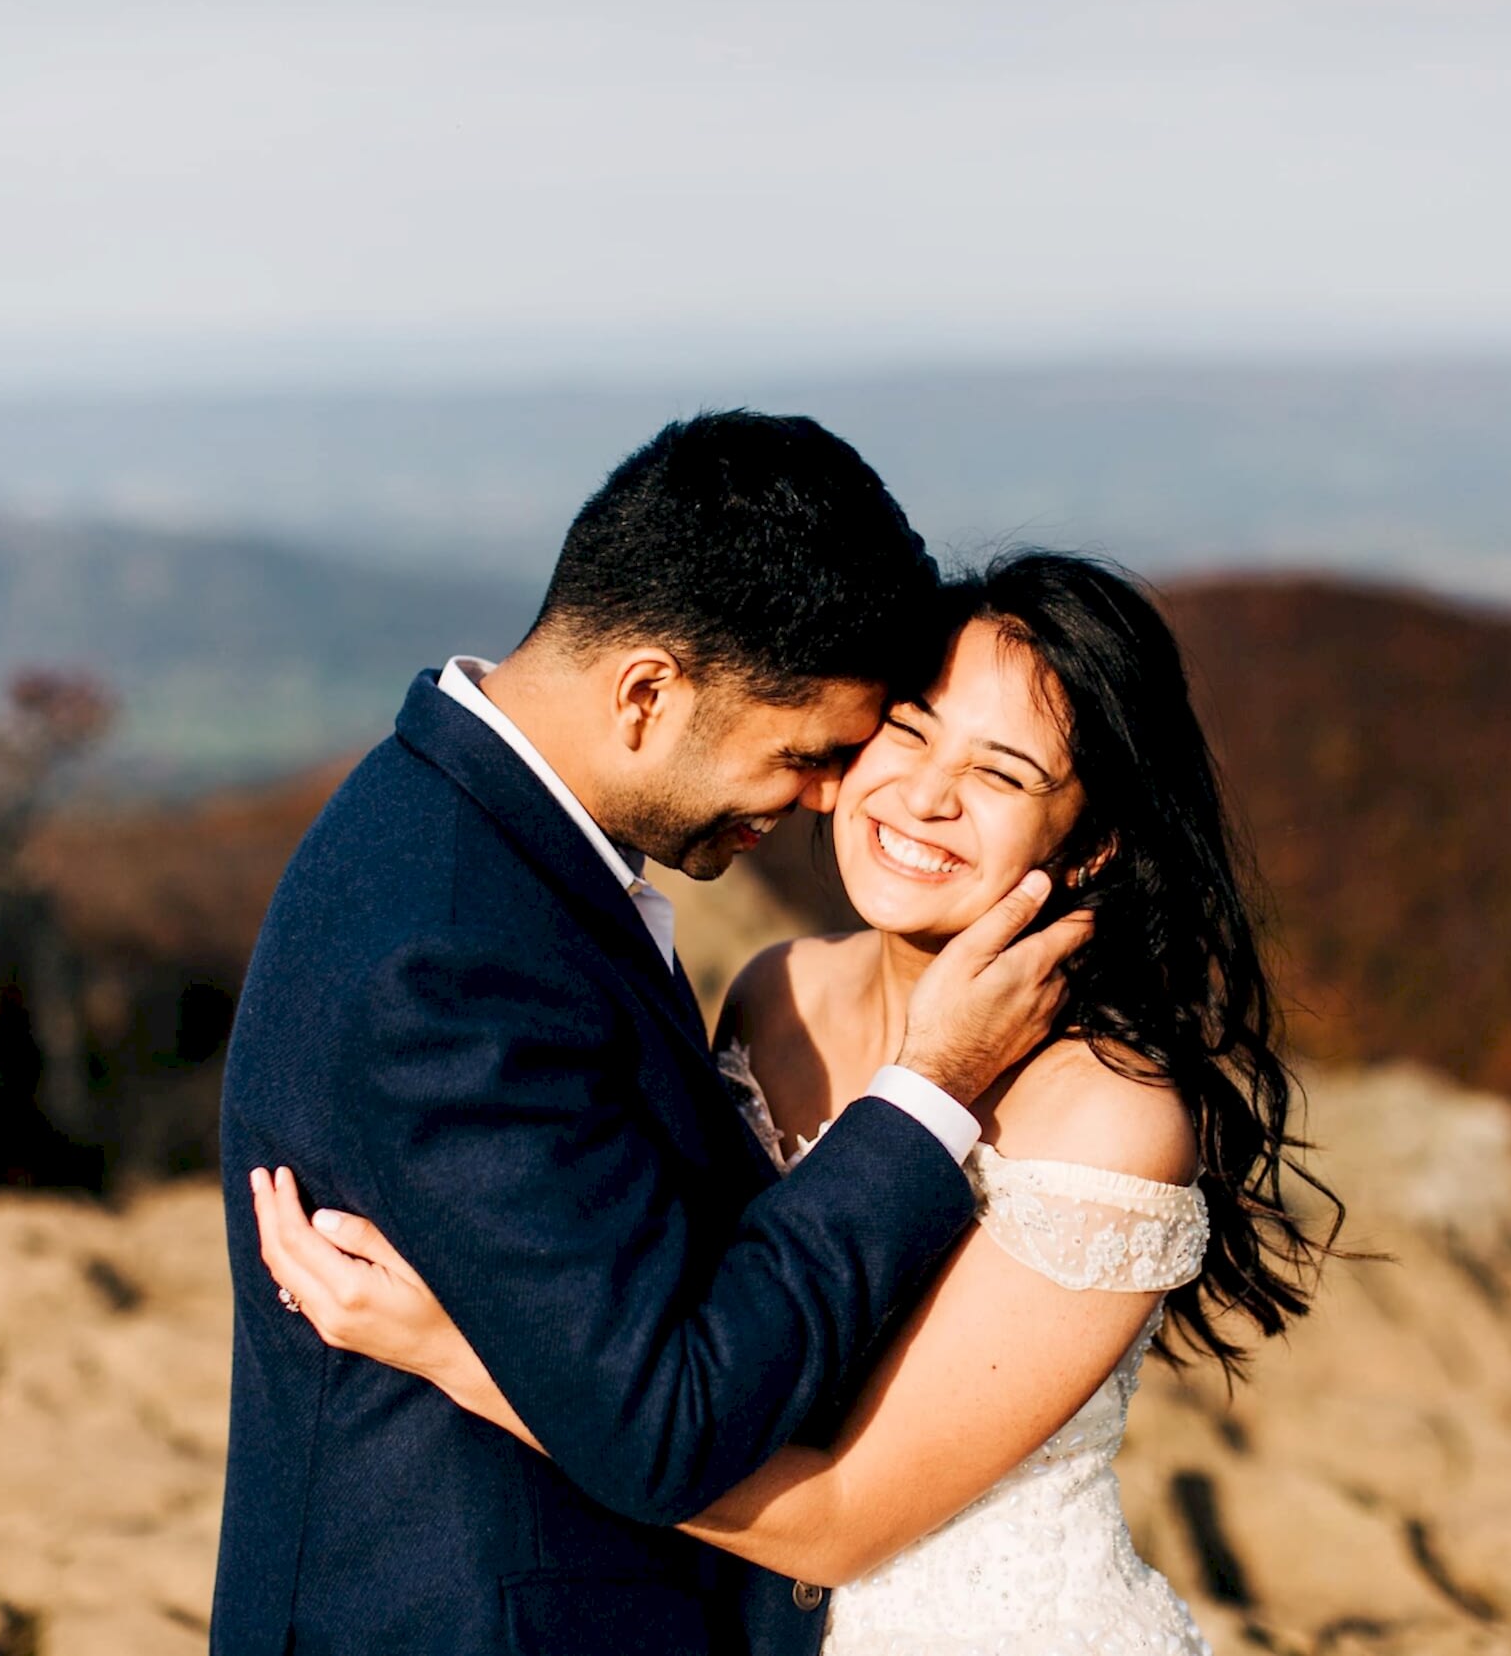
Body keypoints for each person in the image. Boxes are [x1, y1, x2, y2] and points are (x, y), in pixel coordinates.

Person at [256, 552, 1336, 1653]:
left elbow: (837, 1524)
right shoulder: (778, 993)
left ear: (1092, 843)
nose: (925, 795)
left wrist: (463, 1354)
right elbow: (703, 1330)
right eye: (909, 730)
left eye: (1001, 774)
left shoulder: (1107, 1111)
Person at [212, 414, 1094, 1656]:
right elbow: (660, 1425)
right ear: (645, 693)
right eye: (802, 754)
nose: (829, 797)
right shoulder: (455, 951)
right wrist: (930, 1089)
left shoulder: (453, 830)